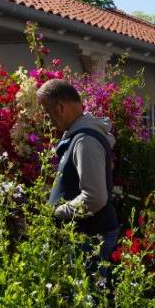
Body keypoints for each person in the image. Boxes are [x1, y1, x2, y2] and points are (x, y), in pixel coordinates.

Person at [37, 79, 119, 280]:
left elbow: (95, 197)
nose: (48, 119)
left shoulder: (85, 140)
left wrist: (58, 211)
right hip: (87, 236)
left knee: (90, 305)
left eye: (47, 111)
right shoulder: (77, 136)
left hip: (91, 237)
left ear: (61, 107)